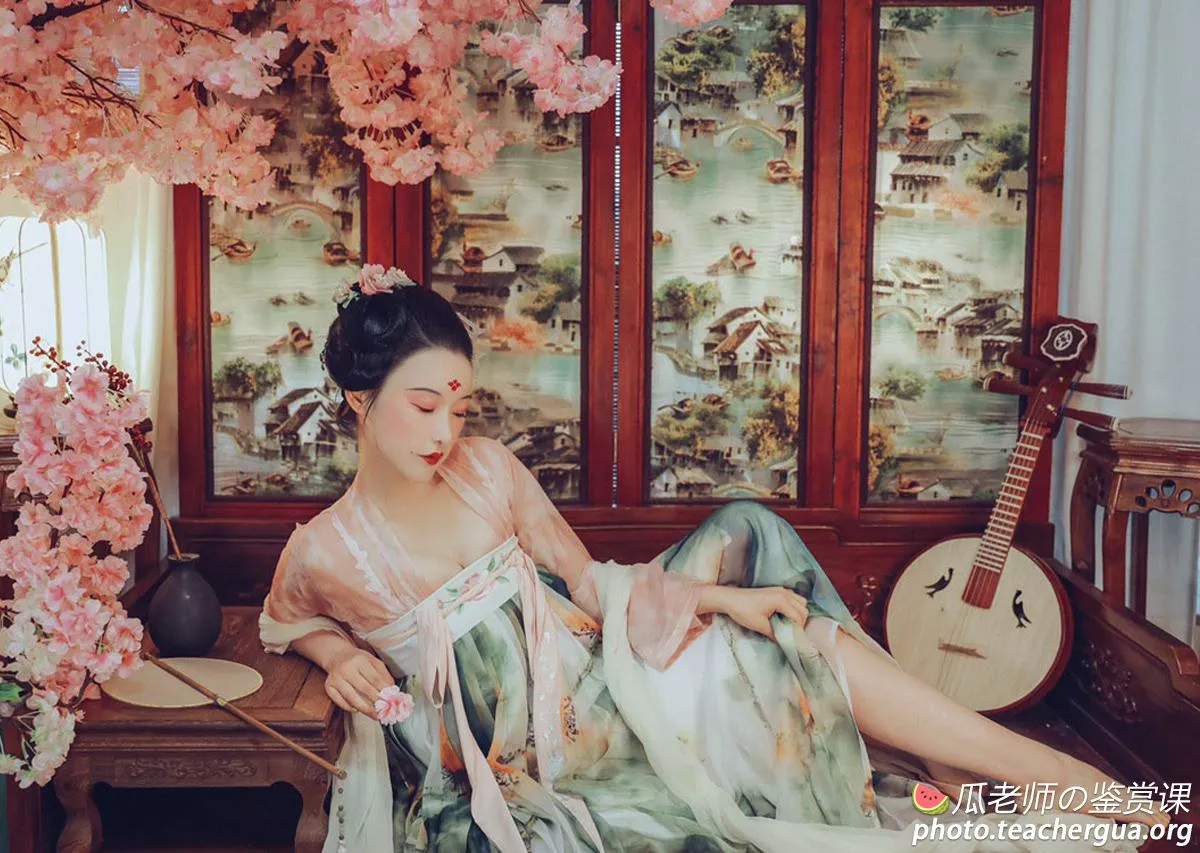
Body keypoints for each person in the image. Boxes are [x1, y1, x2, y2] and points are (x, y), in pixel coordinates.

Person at [259, 270, 1165, 853]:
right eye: (423, 406)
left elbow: (586, 581)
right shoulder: (324, 548)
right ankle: (982, 764)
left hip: (604, 670)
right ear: (358, 398)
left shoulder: (487, 469)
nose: (444, 430)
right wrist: (336, 655)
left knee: (767, 600)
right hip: (538, 754)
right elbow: (283, 621)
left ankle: (1045, 774)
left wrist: (722, 603)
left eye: (459, 407)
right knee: (770, 622)